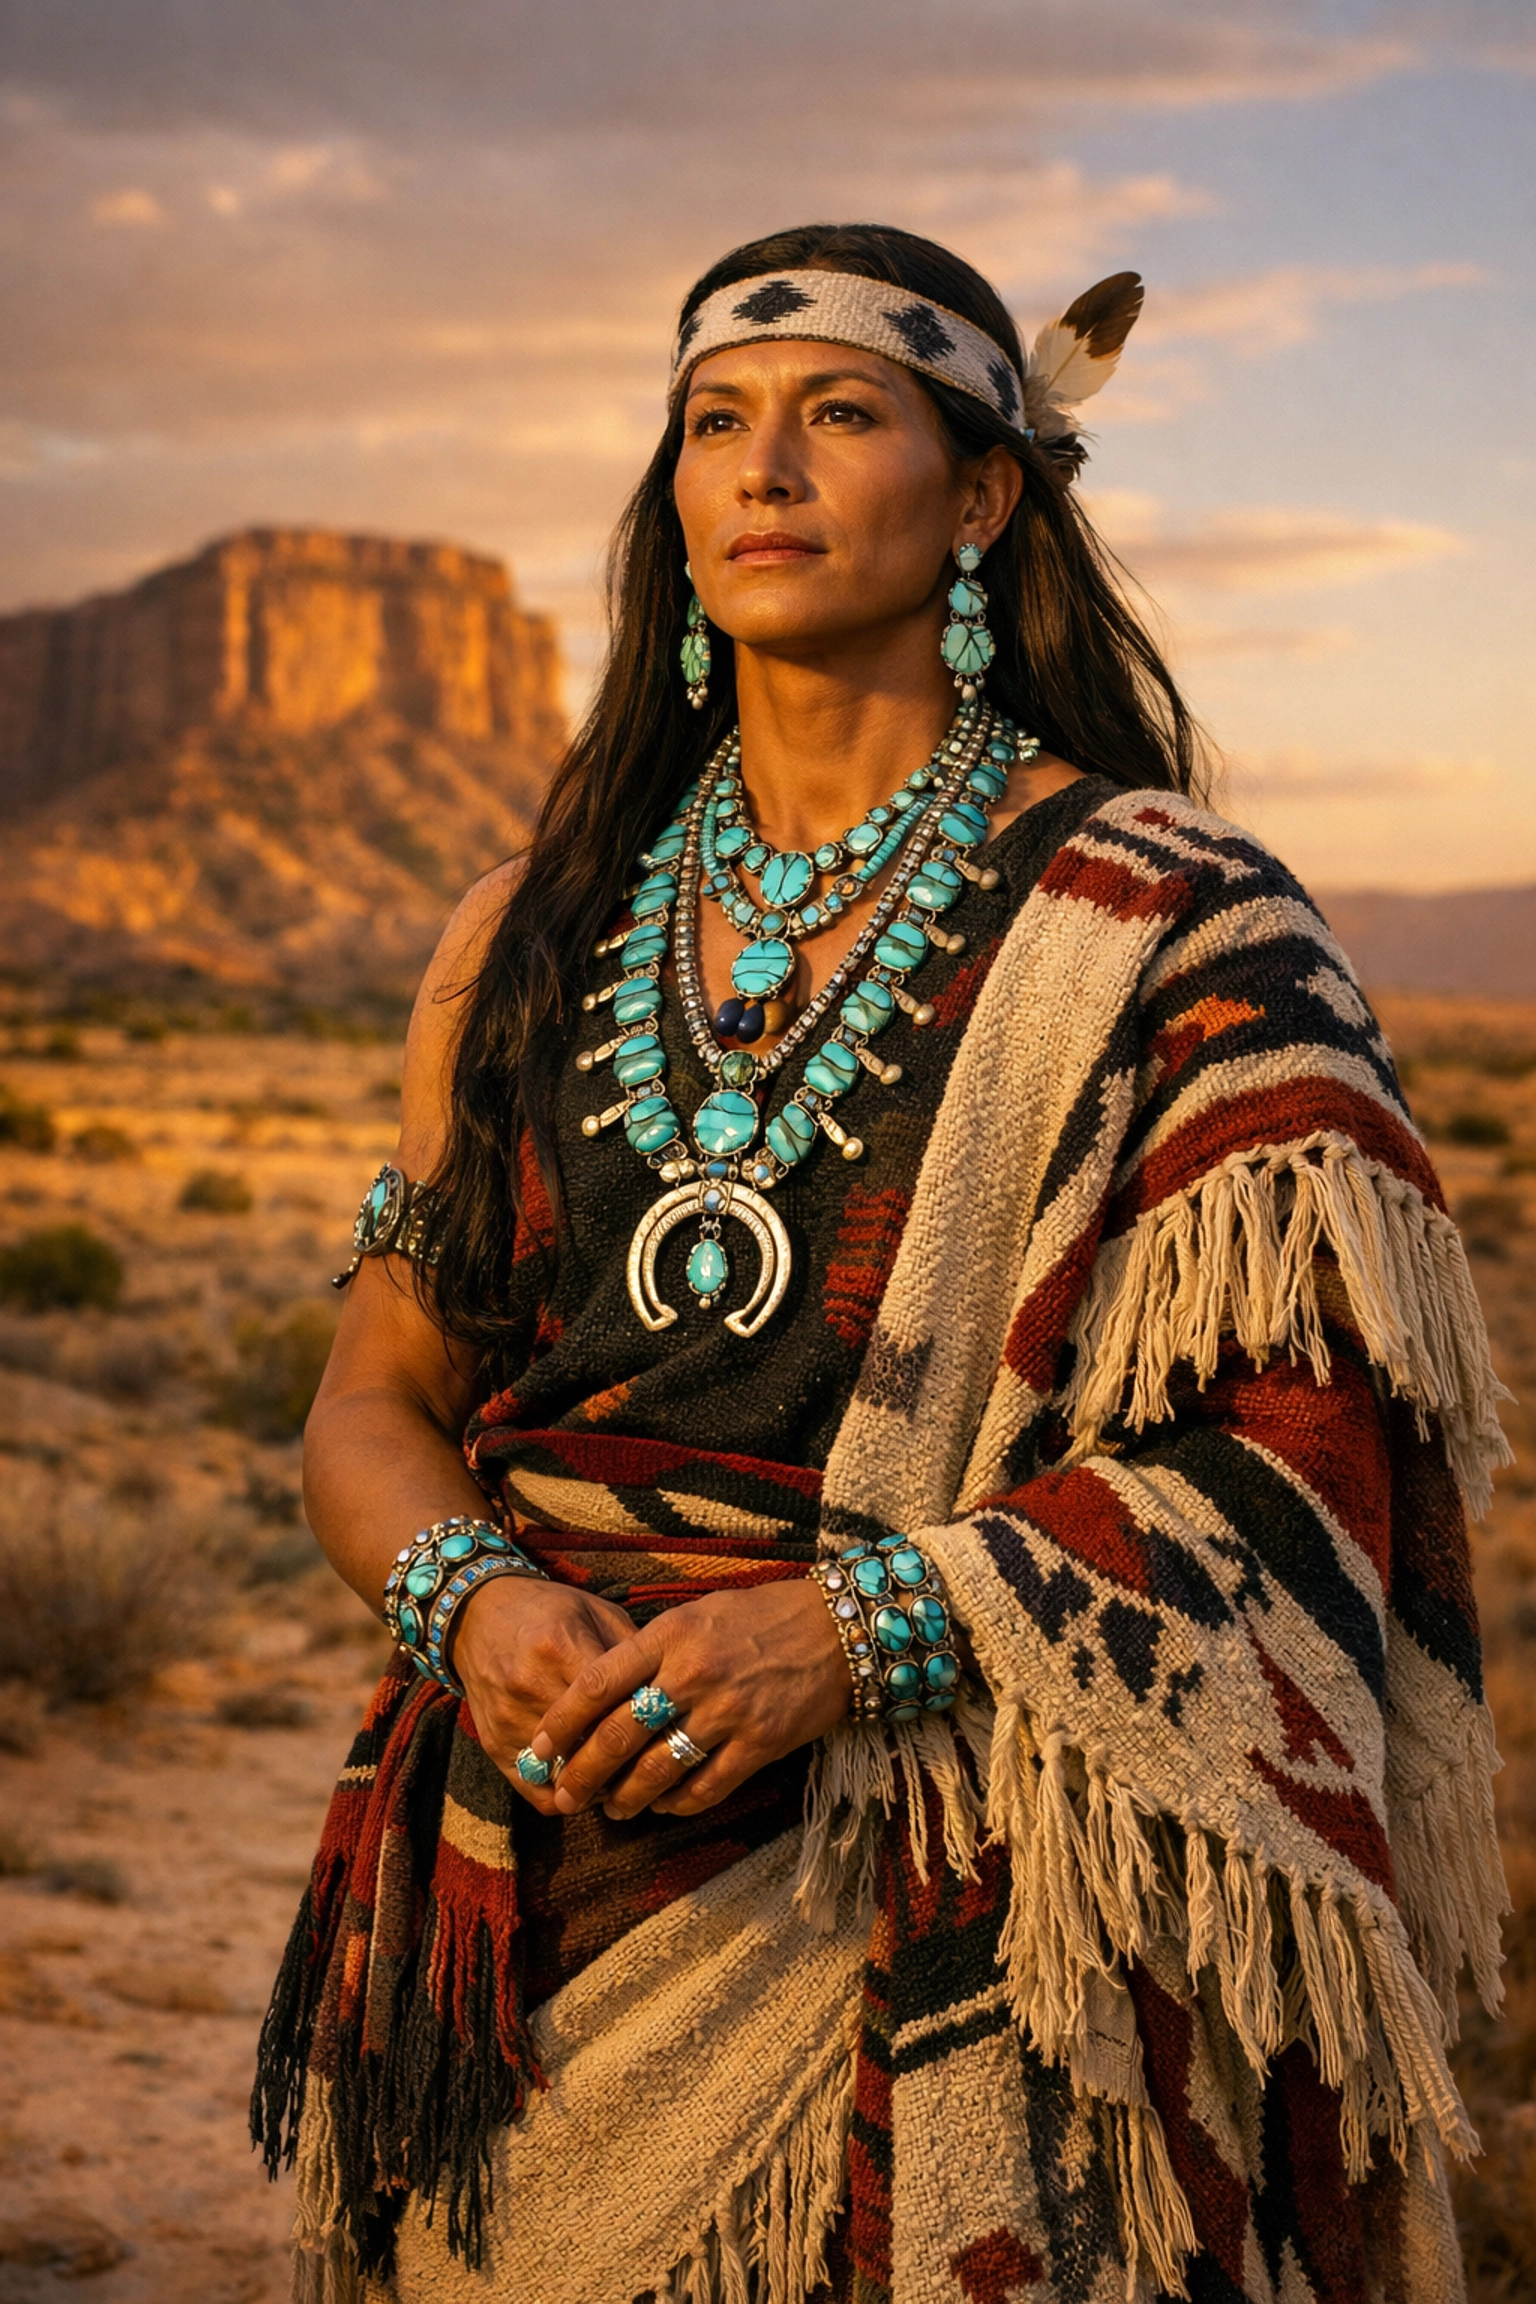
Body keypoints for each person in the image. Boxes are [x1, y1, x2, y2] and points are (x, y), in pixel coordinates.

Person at [254, 224, 1509, 2304]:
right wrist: (475, 1606)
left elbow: (1304, 1476)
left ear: (988, 493)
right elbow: (374, 1399)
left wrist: (865, 1632)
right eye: (717, 424)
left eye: (842, 414)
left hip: (958, 1915)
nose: (766, 469)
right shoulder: (523, 927)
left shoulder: (1180, 931)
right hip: (527, 1881)